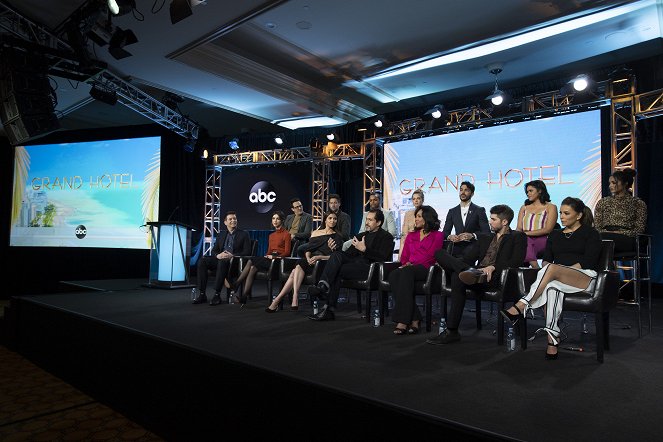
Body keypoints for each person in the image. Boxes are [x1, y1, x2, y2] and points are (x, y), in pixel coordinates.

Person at [501, 197, 602, 360]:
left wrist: (560, 270)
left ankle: (523, 305)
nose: (561, 216)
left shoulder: (590, 233)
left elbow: (589, 261)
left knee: (552, 269)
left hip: (583, 277)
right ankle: (552, 340)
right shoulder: (555, 235)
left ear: (579, 215)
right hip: (558, 280)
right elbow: (547, 258)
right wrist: (553, 272)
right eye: (560, 213)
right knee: (552, 288)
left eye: (566, 213)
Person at [427, 205, 526, 344]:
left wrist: (493, 266)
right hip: (476, 274)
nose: (490, 222)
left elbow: (516, 261)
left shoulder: (517, 237)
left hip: (495, 277)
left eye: (493, 219)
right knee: (440, 254)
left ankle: (452, 331)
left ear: (504, 222)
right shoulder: (485, 238)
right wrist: (455, 264)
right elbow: (468, 258)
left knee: (457, 276)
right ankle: (468, 272)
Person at [307, 209, 394, 321]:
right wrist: (334, 250)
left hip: (371, 269)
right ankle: (323, 289)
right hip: (354, 266)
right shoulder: (361, 236)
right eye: (367, 219)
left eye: (370, 220)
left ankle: (326, 300)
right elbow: (347, 254)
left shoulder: (386, 236)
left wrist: (365, 250)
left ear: (379, 222)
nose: (367, 222)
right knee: (337, 256)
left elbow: (384, 257)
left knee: (337, 270)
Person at [265, 211, 342, 312]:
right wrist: (308, 257)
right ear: (325, 220)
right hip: (310, 261)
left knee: (294, 271)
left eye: (335, 219)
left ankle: (280, 300)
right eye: (330, 218)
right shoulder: (315, 233)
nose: (332, 221)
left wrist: (319, 258)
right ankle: (293, 297)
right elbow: (308, 250)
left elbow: (337, 258)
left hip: (323, 263)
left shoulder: (338, 236)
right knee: (300, 264)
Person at [389, 205, 444, 335]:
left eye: (419, 216)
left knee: (406, 271)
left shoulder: (438, 235)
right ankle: (415, 318)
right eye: (416, 217)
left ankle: (402, 321)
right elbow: (404, 256)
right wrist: (406, 263)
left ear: (427, 218)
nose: (416, 219)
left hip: (427, 269)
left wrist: (411, 264)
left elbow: (431, 256)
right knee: (394, 274)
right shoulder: (411, 235)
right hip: (411, 269)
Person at [230, 211, 291, 304]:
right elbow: (269, 251)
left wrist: (274, 257)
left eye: (277, 219)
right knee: (252, 268)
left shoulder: (287, 234)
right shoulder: (271, 235)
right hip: (269, 259)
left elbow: (287, 252)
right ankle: (244, 296)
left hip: (278, 261)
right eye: (273, 218)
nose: (275, 221)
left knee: (251, 260)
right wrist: (267, 255)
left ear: (282, 220)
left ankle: (237, 284)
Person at [192, 211, 252, 306]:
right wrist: (218, 255)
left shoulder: (244, 234)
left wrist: (232, 255)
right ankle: (202, 294)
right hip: (221, 258)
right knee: (202, 261)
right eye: (230, 219)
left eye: (235, 219)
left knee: (222, 262)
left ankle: (217, 295)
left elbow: (247, 252)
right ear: (225, 222)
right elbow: (214, 250)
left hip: (234, 261)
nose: (233, 220)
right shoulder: (221, 234)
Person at [594, 168, 647, 254]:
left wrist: (619, 232)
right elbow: (597, 227)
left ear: (625, 184)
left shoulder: (638, 204)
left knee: (602, 240)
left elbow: (639, 230)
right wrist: (608, 232)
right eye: (609, 183)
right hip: (604, 236)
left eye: (614, 183)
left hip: (627, 239)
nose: (610, 186)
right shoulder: (603, 202)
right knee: (596, 238)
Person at [516, 180, 558, 268]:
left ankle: (535, 269)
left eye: (531, 191)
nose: (528, 194)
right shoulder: (524, 208)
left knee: (525, 241)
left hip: (543, 240)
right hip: (525, 240)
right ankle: (536, 270)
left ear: (540, 191)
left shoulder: (551, 207)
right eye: (527, 192)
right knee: (523, 242)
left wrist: (526, 234)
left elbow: (548, 229)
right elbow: (519, 228)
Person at [442, 181, 490, 257]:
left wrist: (472, 235)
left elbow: (487, 232)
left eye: (466, 190)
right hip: (456, 247)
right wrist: (450, 237)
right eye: (461, 190)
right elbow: (445, 232)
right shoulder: (452, 211)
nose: (463, 192)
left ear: (472, 193)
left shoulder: (479, 210)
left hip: (473, 246)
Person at [399, 188, 425, 258]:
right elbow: (404, 235)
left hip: (422, 244)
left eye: (418, 198)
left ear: (422, 200)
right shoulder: (408, 214)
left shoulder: (427, 213)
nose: (416, 201)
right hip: (409, 245)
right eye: (414, 199)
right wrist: (400, 255)